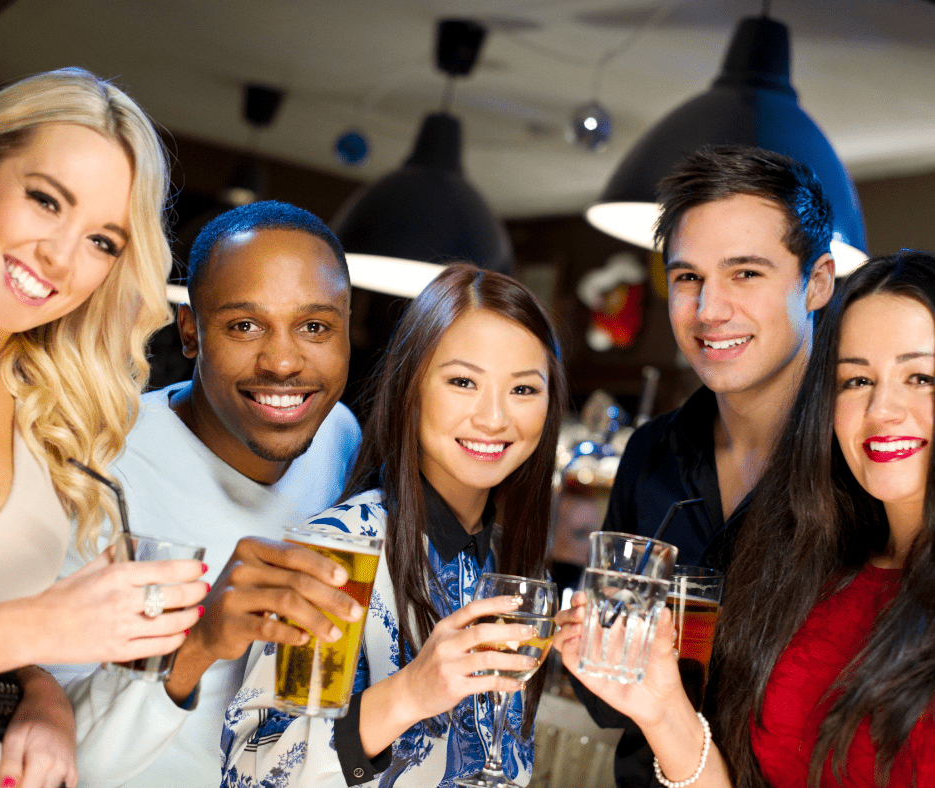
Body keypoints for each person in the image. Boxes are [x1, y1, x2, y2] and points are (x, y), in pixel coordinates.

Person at [556, 249, 935, 787]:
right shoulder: (813, 572)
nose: (882, 410)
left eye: (920, 377)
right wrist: (664, 708)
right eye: (855, 381)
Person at [51, 201, 364, 788]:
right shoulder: (95, 472)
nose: (283, 362)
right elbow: (55, 753)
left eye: (315, 326)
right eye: (245, 325)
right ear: (191, 331)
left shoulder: (339, 437)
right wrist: (197, 643)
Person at [221, 263, 569, 787]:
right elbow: (254, 769)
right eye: (462, 382)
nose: (494, 417)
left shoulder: (513, 563)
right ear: (412, 387)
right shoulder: (340, 553)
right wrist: (410, 693)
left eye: (523, 390)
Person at [570, 145, 837, 786]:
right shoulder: (651, 453)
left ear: (818, 282)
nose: (709, 310)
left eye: (745, 273)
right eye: (688, 277)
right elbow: (606, 700)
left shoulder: (863, 466)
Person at [0, 68, 208, 787]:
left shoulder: (33, 408)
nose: (59, 256)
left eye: (102, 241)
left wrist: (40, 692)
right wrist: (42, 630)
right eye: (44, 199)